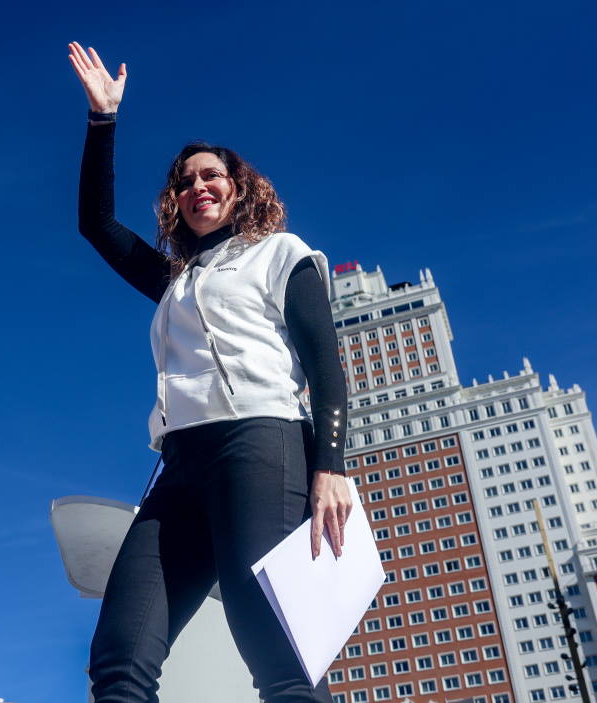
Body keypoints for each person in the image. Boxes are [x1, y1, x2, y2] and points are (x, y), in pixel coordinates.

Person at [68, 41, 353, 703]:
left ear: (238, 186)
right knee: (118, 654)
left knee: (279, 654)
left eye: (211, 176)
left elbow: (324, 361)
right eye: (185, 181)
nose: (198, 186)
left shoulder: (280, 253)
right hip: (179, 465)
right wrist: (102, 122)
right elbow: (96, 224)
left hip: (261, 444)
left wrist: (331, 462)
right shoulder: (175, 279)